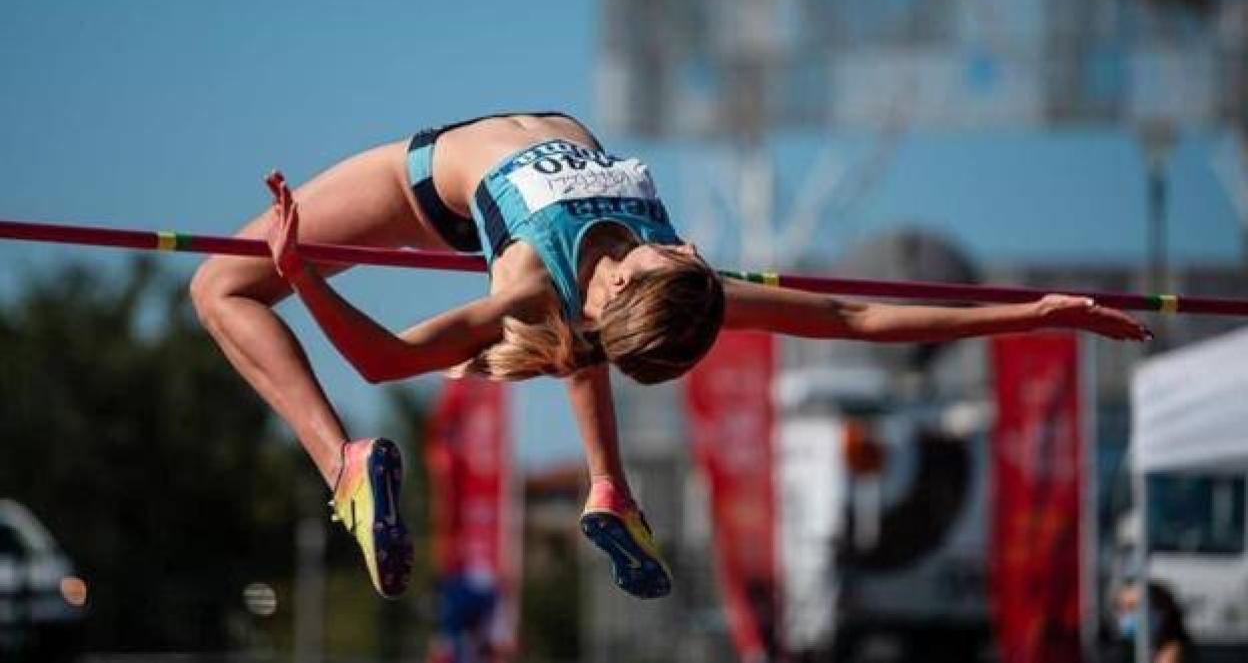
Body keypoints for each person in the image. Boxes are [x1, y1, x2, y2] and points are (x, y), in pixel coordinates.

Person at [189, 112, 1151, 600]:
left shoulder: (540, 279)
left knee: (218, 287)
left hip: (435, 179)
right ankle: (609, 488)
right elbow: (857, 318)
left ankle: (342, 466)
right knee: (572, 339)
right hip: (542, 262)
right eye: (687, 253)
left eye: (677, 256)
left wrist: (301, 276)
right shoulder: (687, 292)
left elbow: (385, 361)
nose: (690, 246)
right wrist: (1037, 313)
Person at [1112, 579, 1192, 663]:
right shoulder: (1118, 652)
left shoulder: (1176, 652)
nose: (1126, 615)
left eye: (1132, 607)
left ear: (1160, 611)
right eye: (1120, 608)